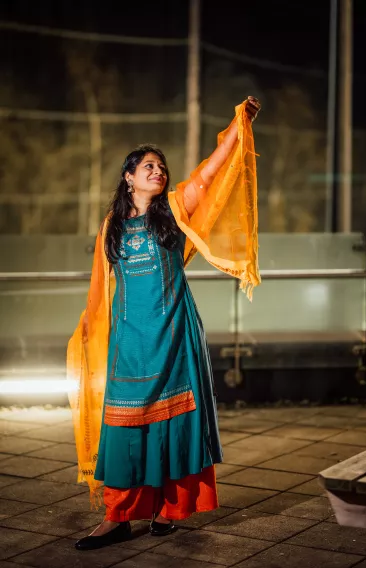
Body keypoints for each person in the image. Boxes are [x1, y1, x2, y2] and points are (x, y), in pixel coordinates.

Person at [67, 96, 261, 550]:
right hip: (129, 342)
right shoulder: (111, 226)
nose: (158, 172)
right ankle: (116, 516)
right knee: (124, 429)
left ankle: (165, 511)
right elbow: (101, 290)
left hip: (175, 334)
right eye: (148, 166)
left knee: (172, 426)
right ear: (129, 176)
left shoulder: (175, 210)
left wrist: (239, 123)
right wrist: (90, 333)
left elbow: (211, 171)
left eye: (161, 167)